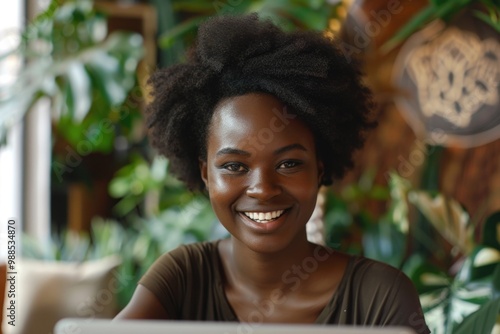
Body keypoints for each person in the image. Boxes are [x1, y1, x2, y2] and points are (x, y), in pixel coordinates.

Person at [115, 13, 430, 333]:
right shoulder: (182, 278)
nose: (263, 189)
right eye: (234, 166)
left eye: (289, 164)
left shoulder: (380, 297)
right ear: (206, 174)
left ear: (319, 169)